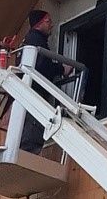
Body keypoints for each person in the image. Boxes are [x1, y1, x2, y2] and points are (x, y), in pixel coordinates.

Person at [13, 8, 74, 151]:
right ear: (39, 24)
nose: (51, 25)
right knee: (33, 132)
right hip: (35, 93)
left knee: (27, 128)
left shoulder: (28, 41)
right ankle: (29, 156)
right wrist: (61, 69)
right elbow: (41, 67)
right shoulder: (36, 41)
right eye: (48, 21)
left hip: (26, 93)